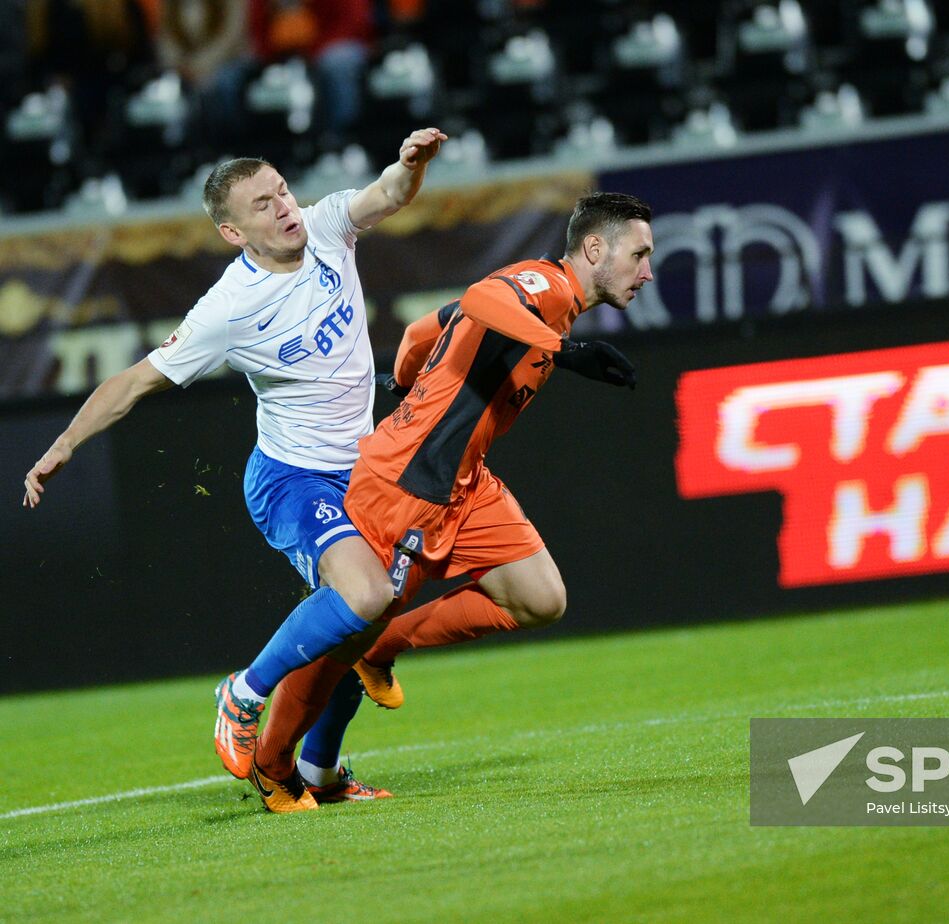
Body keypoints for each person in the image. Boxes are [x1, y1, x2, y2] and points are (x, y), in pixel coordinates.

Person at [23, 126, 448, 811]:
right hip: (293, 480)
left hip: (363, 472)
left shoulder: (328, 225)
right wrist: (64, 443)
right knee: (366, 599)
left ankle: (320, 774)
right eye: (262, 204)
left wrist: (410, 165)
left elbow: (387, 195)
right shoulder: (229, 307)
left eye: (282, 190)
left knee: (362, 624)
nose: (284, 208)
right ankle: (244, 691)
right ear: (232, 232)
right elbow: (134, 381)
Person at [245, 192, 653, 812]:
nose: (646, 271)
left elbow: (419, 331)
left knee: (541, 597)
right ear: (594, 248)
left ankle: (382, 654)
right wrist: (565, 354)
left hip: (465, 480)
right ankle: (277, 763)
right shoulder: (543, 286)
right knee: (349, 630)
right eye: (639, 254)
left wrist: (413, 384)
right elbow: (484, 300)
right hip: (411, 481)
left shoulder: (555, 304)